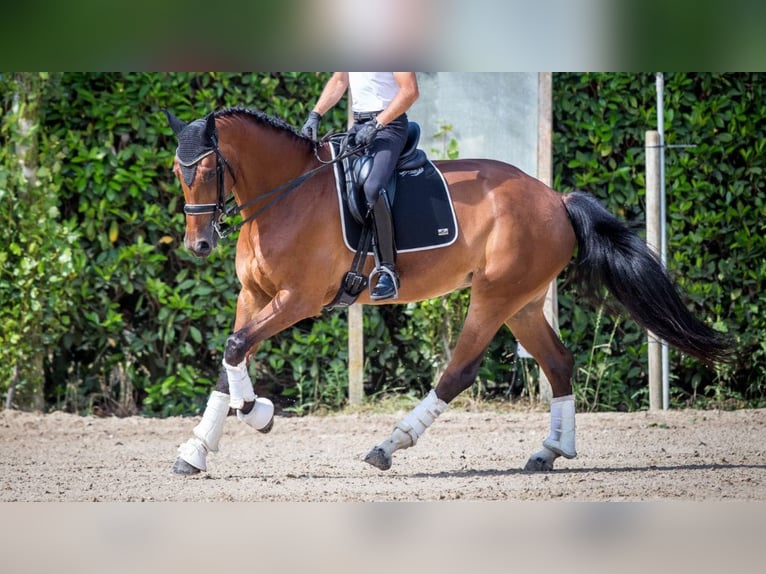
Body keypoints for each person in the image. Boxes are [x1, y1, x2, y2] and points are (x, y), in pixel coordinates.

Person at [301, 72, 419, 301]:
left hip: (390, 126)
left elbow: (410, 92)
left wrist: (377, 123)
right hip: (360, 125)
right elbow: (339, 81)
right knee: (330, 179)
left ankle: (388, 269)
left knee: (372, 188)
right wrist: (315, 114)